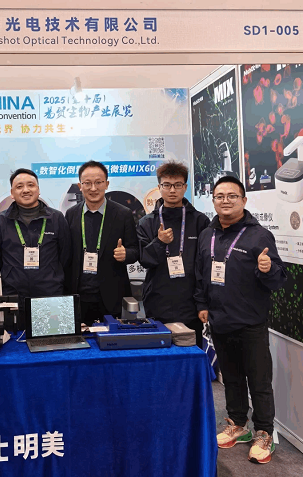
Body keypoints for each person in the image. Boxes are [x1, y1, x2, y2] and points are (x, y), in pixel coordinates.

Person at [194, 176, 286, 464]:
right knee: (231, 379)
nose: (225, 201)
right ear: (213, 200)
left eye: (232, 196)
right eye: (219, 196)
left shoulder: (259, 236)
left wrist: (268, 269)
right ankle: (238, 424)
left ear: (244, 200)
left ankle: (264, 432)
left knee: (259, 382)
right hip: (220, 320)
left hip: (251, 322)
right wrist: (202, 304)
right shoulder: (207, 235)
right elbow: (201, 274)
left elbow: (278, 280)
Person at [137, 161, 210, 348]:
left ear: (185, 187)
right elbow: (144, 259)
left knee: (191, 352)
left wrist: (202, 302)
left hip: (190, 303)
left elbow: (205, 264)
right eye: (167, 185)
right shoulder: (147, 222)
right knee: (159, 354)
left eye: (177, 185)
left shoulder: (200, 221)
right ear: (159, 187)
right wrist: (160, 242)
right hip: (157, 301)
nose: (172, 190)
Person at [0, 168, 71, 323]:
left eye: (31, 185)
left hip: (50, 295)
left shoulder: (56, 218)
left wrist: (52, 277)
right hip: (13, 297)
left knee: (51, 335)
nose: (25, 190)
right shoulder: (0, 221)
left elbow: (66, 256)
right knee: (14, 337)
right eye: (19, 186)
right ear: (12, 193)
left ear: (38, 190)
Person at [65, 160, 139, 323]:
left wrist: (126, 254)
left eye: (98, 182)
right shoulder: (71, 214)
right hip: (79, 296)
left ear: (107, 184)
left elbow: (135, 250)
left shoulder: (123, 214)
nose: (93, 188)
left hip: (112, 296)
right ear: (80, 186)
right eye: (87, 183)